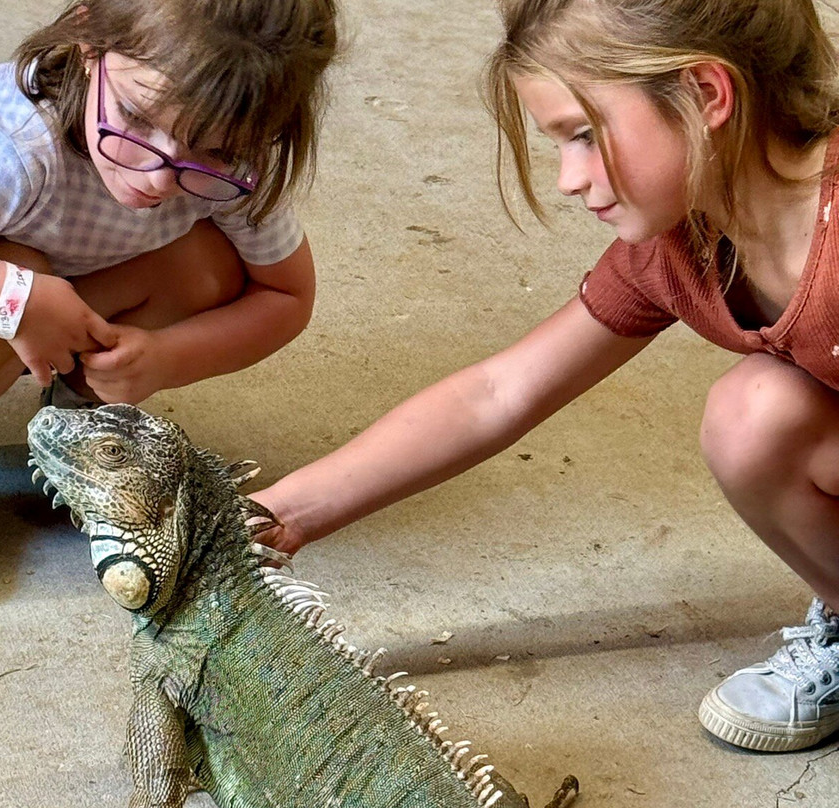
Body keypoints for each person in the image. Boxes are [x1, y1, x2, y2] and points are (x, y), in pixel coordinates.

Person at [250, 0, 839, 753]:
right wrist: (278, 516)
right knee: (755, 414)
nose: (568, 179)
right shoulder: (682, 242)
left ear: (704, 94)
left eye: (585, 135)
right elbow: (500, 393)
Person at [0, 0, 338, 606]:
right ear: (88, 38)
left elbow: (285, 294)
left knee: (208, 263)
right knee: (13, 267)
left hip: (59, 285)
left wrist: (165, 356)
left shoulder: (235, 149)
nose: (158, 176)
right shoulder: (5, 146)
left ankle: (80, 424)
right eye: (136, 117)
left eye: (215, 151)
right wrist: (14, 298)